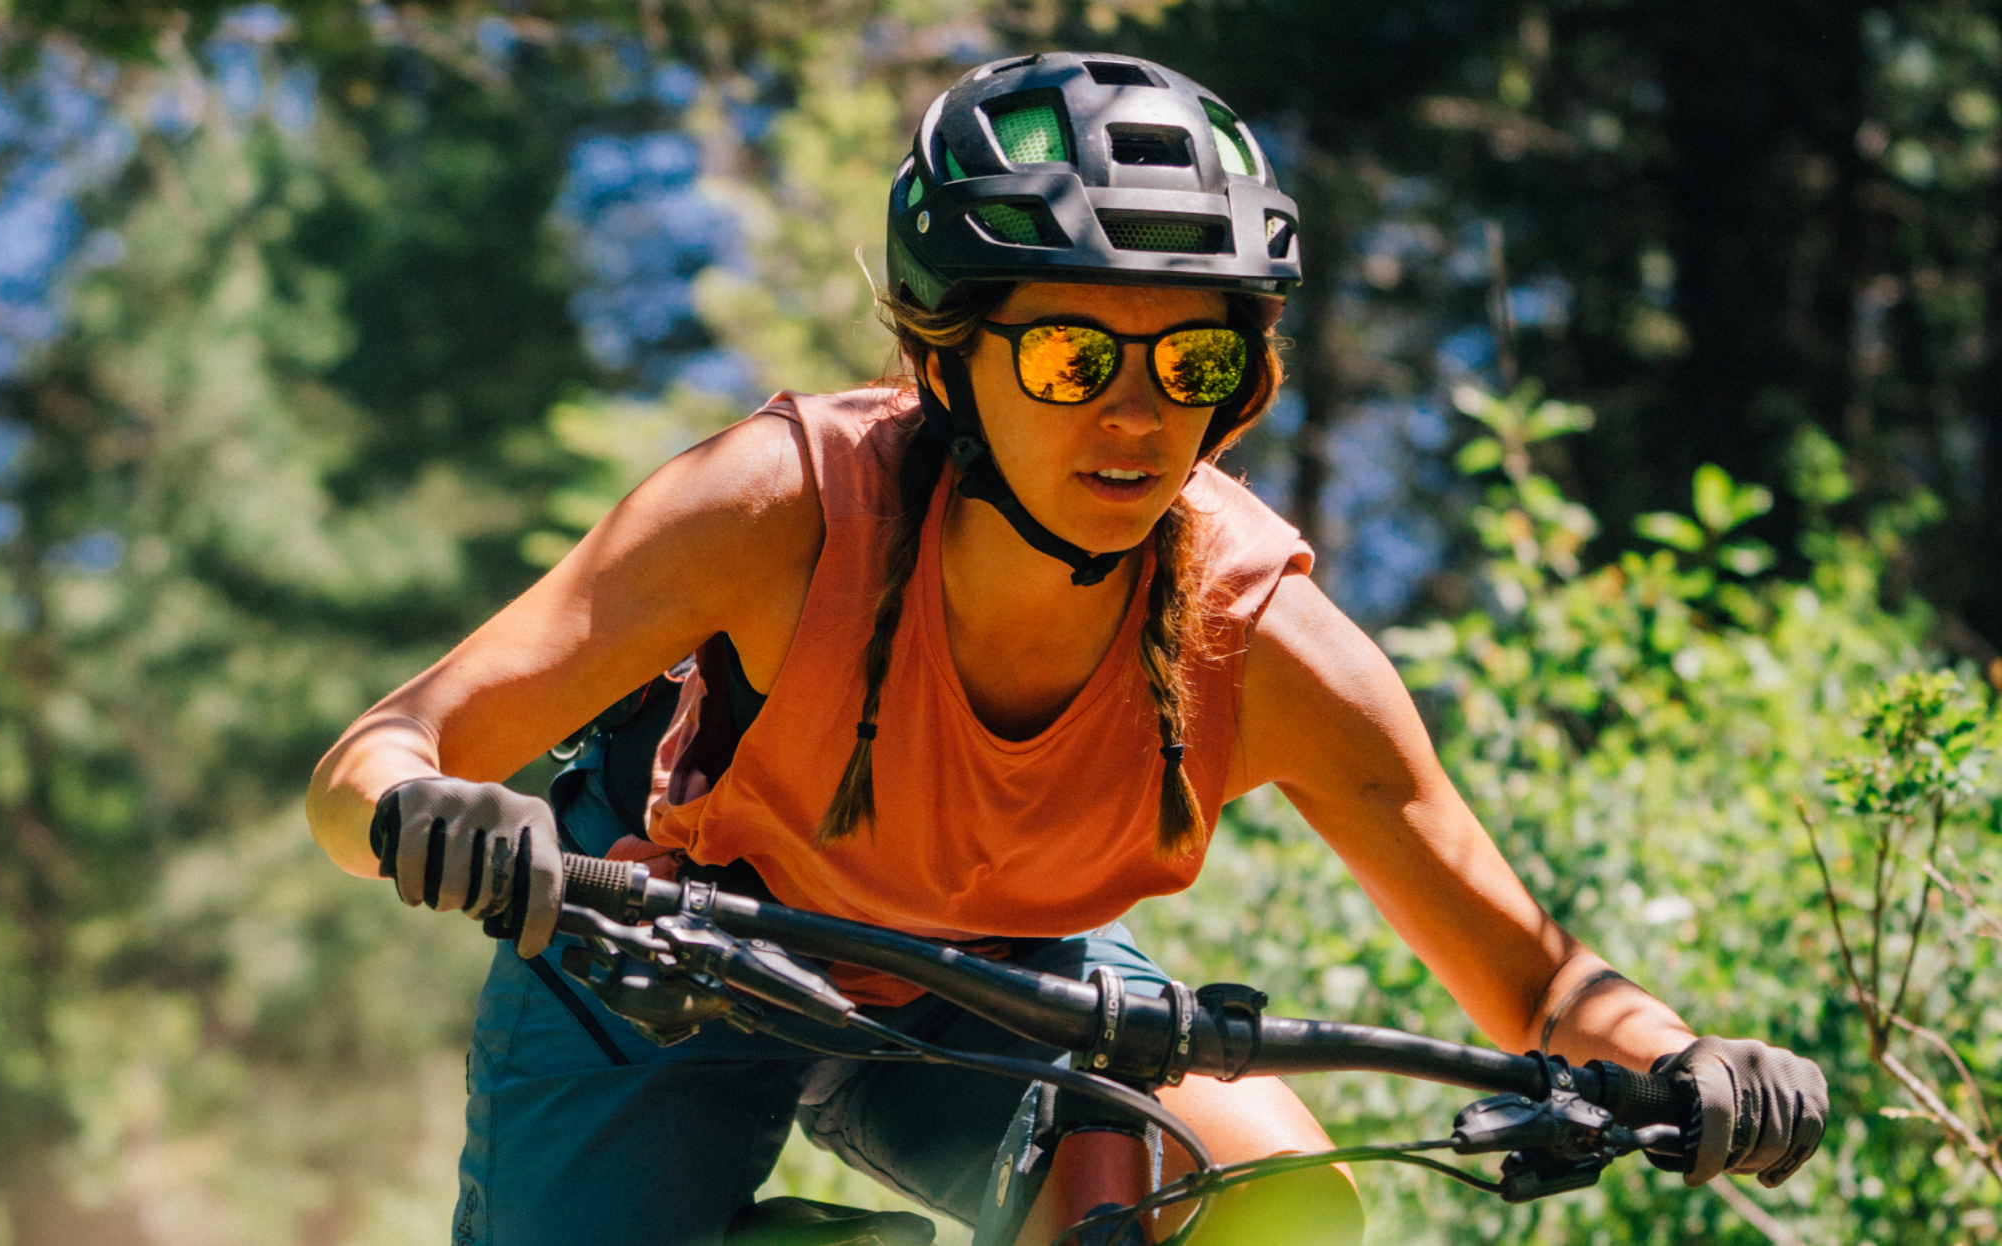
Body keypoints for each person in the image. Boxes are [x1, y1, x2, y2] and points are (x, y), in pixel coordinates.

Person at [305, 51, 1825, 1246]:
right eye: (1071, 353)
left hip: (993, 982)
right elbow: (369, 762)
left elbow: (1537, 984)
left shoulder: (1262, 642)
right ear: (946, 356)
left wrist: (1684, 1053)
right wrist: (435, 810)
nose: (1137, 412)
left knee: (1264, 1204)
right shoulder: (776, 514)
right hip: (659, 956)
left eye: (1193, 357)